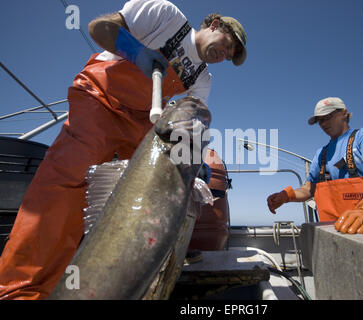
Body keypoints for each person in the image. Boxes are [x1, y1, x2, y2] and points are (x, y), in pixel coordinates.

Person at [0, 0, 247, 300]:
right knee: (67, 187)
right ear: (215, 24)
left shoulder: (202, 78)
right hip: (100, 99)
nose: (223, 54)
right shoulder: (166, 15)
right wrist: (137, 53)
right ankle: (21, 289)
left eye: (229, 55)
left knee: (136, 200)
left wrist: (193, 164)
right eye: (227, 44)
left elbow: (188, 122)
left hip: (142, 122)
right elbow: (100, 28)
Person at [267, 97, 363, 235]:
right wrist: (287, 196)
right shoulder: (321, 154)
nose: (323, 123)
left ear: (344, 113)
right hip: (341, 231)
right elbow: (309, 189)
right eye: (320, 120)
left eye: (328, 116)